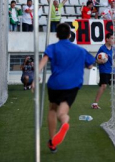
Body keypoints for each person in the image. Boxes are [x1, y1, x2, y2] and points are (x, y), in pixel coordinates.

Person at [35, 23, 95, 153]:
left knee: (52, 108)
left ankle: (52, 143)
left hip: (55, 84)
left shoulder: (52, 48)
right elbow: (90, 65)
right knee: (62, 112)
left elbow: (43, 61)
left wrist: (35, 77)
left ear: (56, 35)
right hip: (72, 85)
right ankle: (64, 121)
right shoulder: (80, 50)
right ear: (69, 35)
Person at [92, 33, 115, 109]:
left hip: (112, 70)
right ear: (107, 39)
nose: (113, 40)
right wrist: (100, 61)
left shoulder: (114, 49)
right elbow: (96, 60)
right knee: (104, 86)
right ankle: (95, 103)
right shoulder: (102, 49)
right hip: (104, 70)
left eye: (114, 38)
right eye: (112, 38)